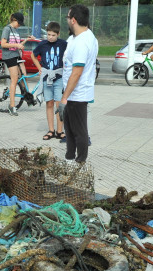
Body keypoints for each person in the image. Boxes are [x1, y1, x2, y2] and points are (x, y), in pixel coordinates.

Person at [59, 4, 97, 164]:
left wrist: (64, 98)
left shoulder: (83, 42)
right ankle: (69, 158)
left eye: (68, 17)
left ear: (73, 20)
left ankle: (80, 162)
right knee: (69, 128)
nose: (67, 20)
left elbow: (77, 72)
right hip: (71, 92)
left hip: (77, 93)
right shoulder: (76, 37)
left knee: (79, 131)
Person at [30, 21, 67, 140]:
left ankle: (60, 131)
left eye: (53, 35)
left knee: (58, 104)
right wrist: (39, 68)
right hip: (47, 79)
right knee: (49, 103)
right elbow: (33, 55)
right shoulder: (42, 44)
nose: (50, 37)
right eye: (49, 34)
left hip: (59, 78)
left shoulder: (63, 44)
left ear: (58, 34)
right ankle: (51, 130)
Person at [1, 12, 36, 115]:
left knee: (24, 77)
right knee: (14, 79)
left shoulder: (16, 31)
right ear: (14, 20)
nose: (19, 25)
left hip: (16, 55)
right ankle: (12, 106)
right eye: (19, 23)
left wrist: (27, 40)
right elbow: (3, 44)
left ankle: (28, 97)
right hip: (9, 56)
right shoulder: (7, 29)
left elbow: (17, 44)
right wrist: (17, 45)